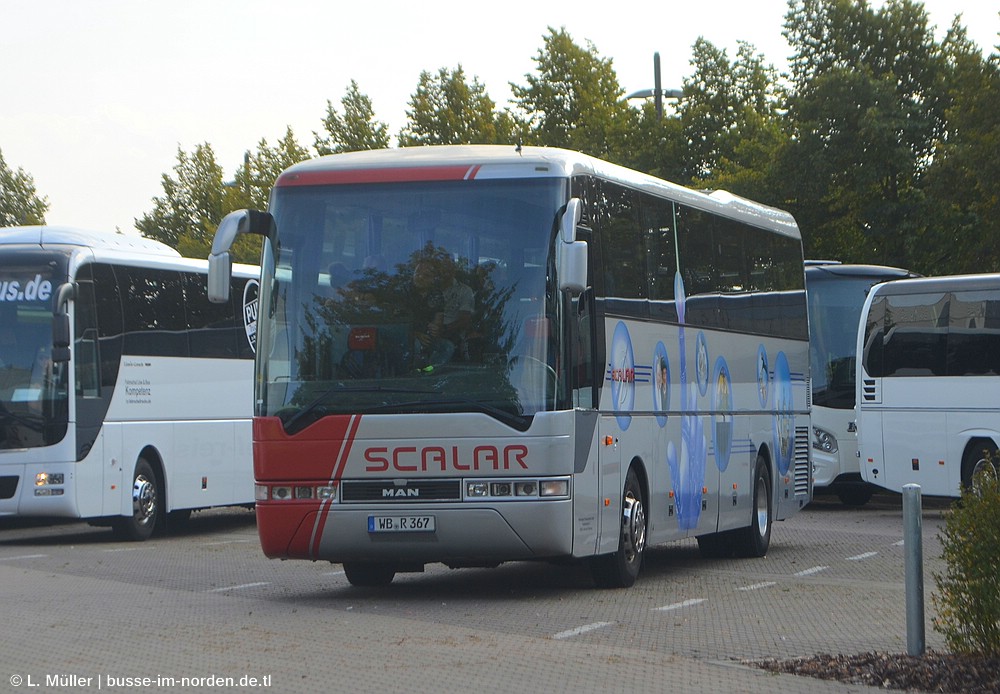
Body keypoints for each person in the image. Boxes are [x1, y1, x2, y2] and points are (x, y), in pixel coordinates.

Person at [412, 256, 473, 367]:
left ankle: (429, 372)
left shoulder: (464, 291)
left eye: (448, 268)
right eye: (442, 268)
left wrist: (442, 329)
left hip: (451, 335)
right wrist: (420, 331)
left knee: (447, 347)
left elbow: (465, 321)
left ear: (454, 270)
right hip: (422, 331)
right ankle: (418, 373)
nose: (445, 271)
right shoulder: (425, 289)